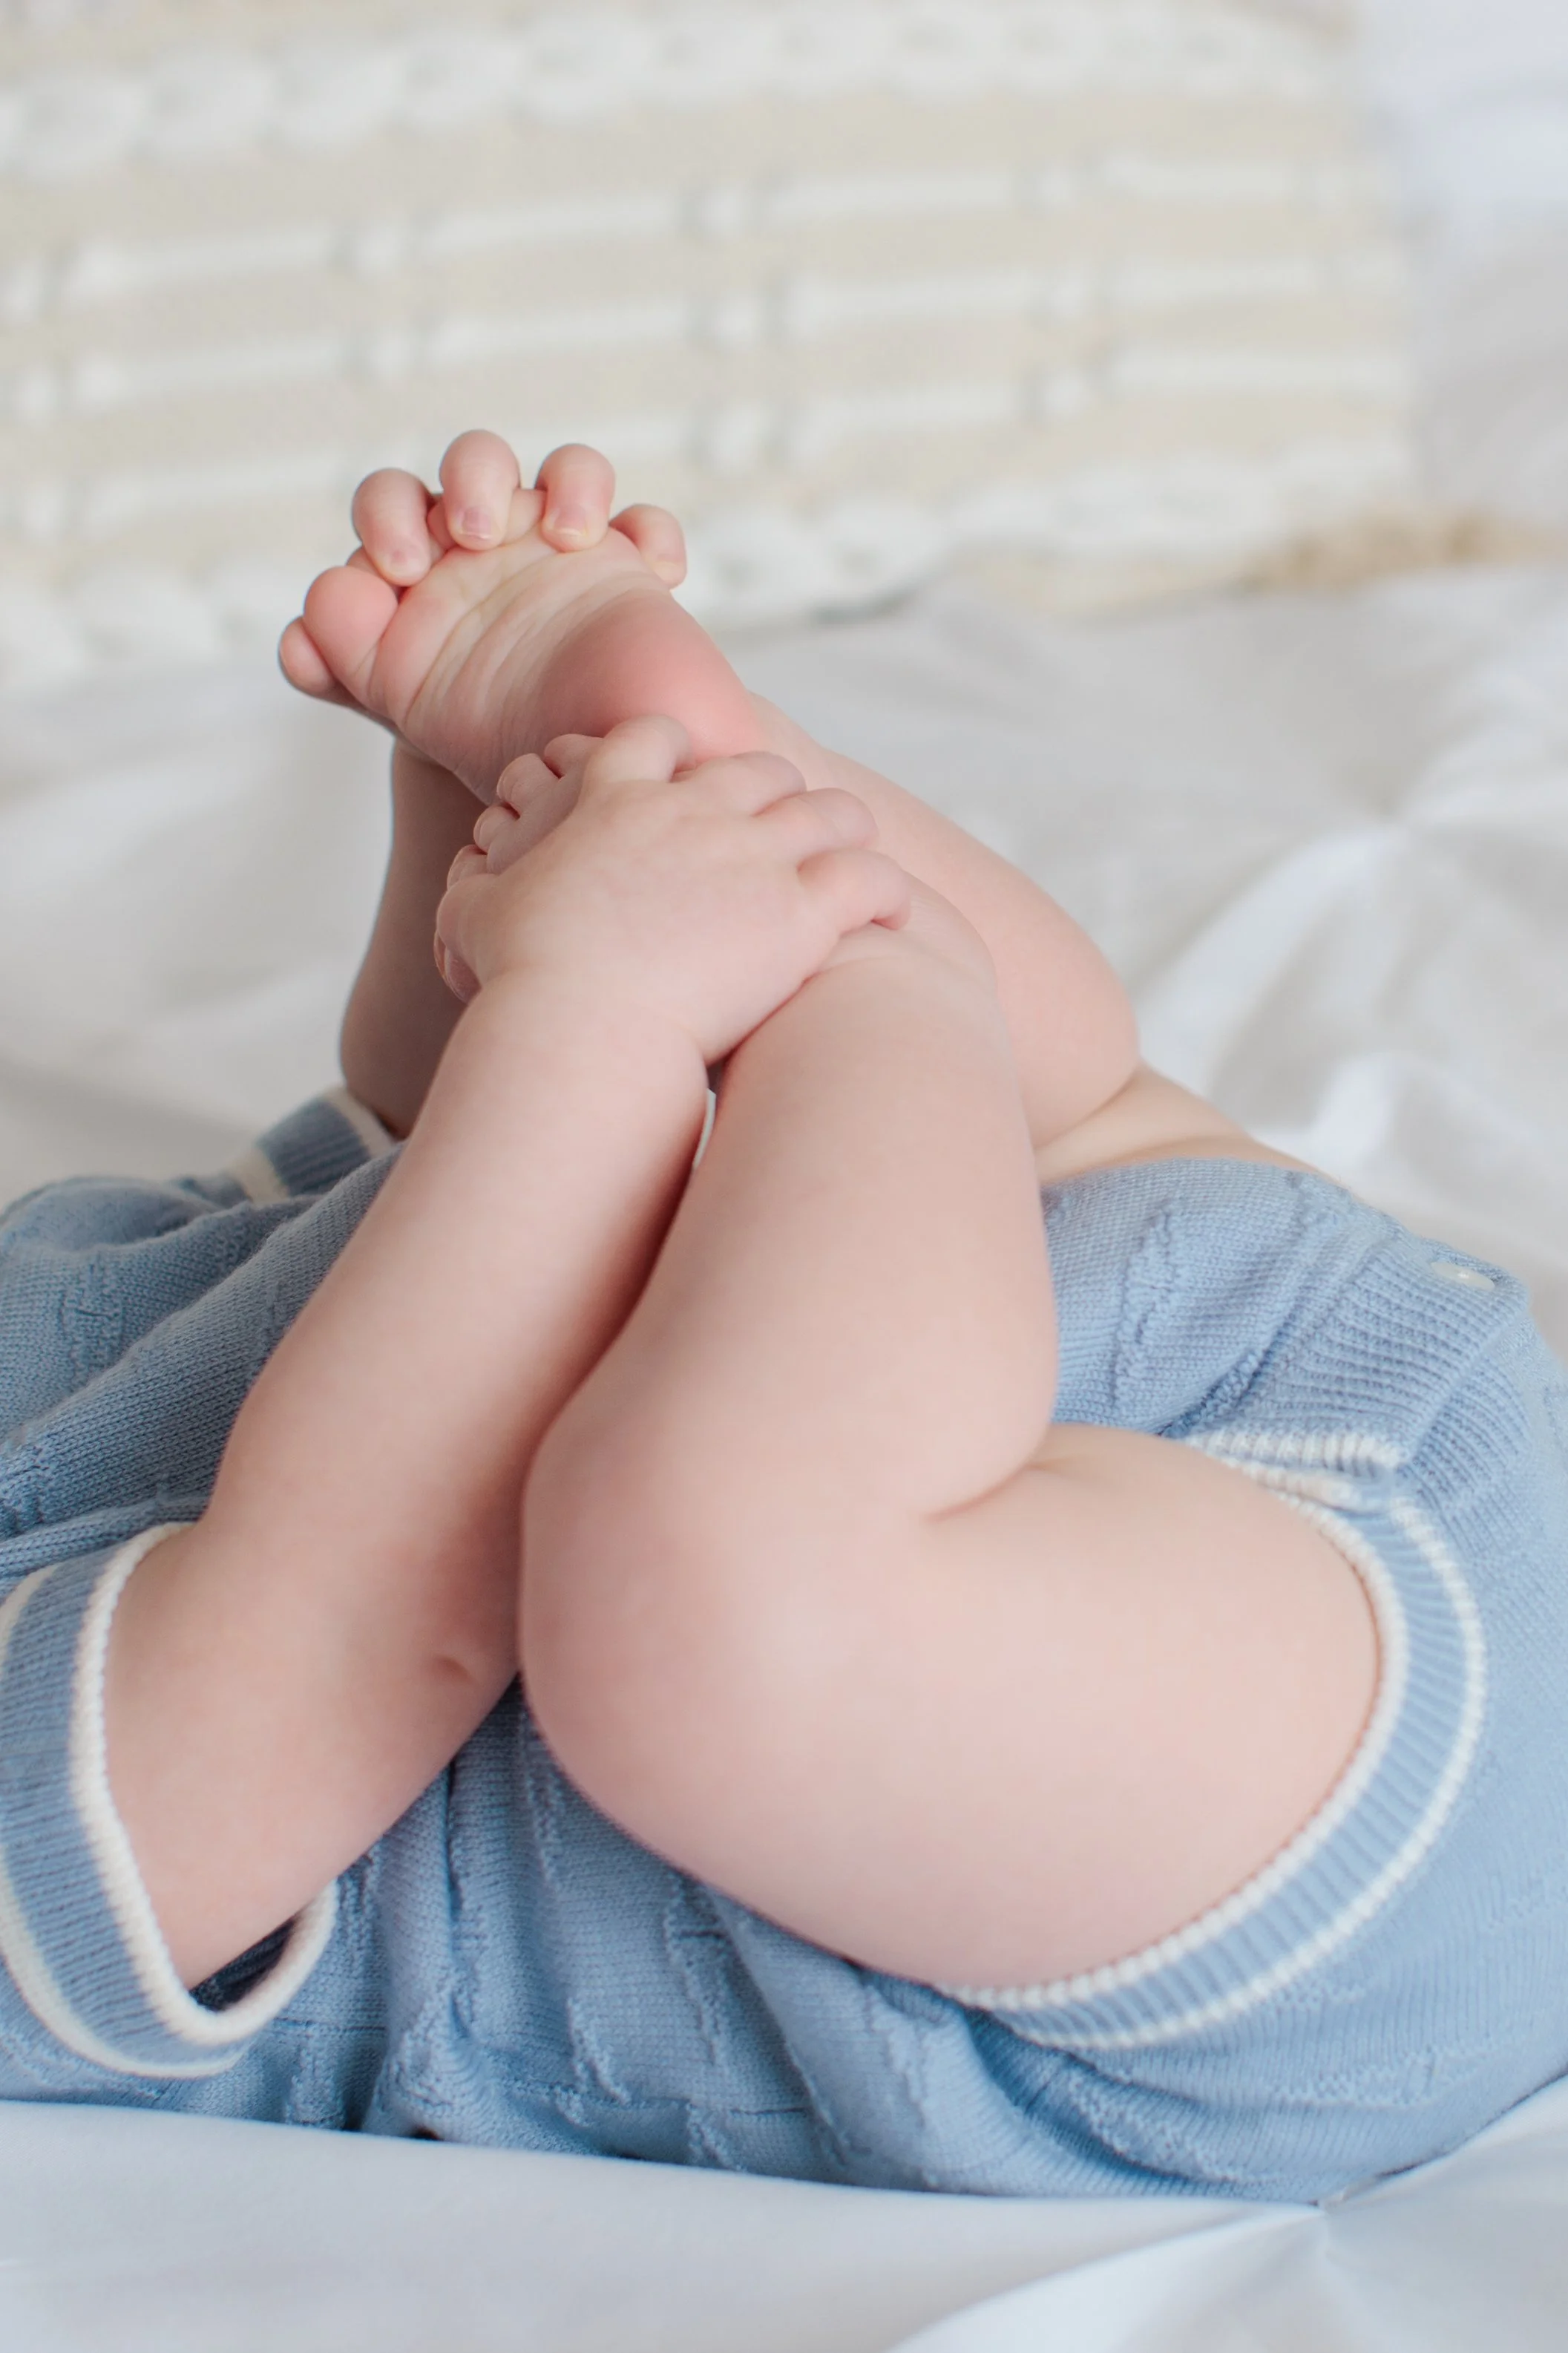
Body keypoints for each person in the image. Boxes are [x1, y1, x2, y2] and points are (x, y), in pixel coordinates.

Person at [0, 433, 1564, 2200]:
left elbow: (407, 1169)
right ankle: (857, 948)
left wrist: (494, 842)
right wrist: (587, 996)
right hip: (1248, 1868)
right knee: (703, 1613)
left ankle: (724, 825)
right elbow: (341, 1623)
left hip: (1168, 1324)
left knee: (1003, 1138)